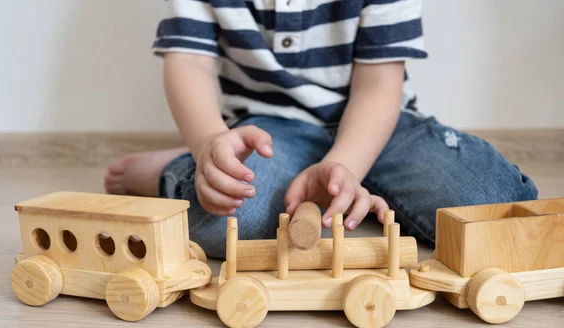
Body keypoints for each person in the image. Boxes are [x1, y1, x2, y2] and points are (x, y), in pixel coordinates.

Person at [104, 0, 537, 259]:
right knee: (225, 222)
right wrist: (208, 143)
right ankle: (185, 164)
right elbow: (190, 61)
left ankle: (351, 178)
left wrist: (343, 164)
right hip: (273, 132)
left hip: (381, 125)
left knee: (495, 210)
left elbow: (378, 85)